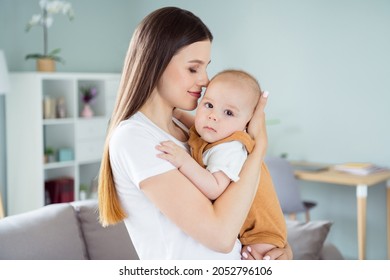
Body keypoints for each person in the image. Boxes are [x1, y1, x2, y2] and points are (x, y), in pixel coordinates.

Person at [98, 6, 292, 260]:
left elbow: (240, 211)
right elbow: (220, 237)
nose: (205, 80)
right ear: (156, 62)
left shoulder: (189, 130)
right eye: (193, 68)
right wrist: (258, 150)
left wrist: (280, 250)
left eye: (205, 67)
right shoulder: (134, 138)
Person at [157, 69, 287, 259]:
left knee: (259, 259)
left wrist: (183, 161)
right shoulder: (215, 134)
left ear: (247, 123)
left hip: (260, 233)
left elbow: (215, 188)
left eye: (228, 112)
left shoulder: (231, 148)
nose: (213, 116)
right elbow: (194, 125)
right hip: (240, 226)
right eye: (208, 105)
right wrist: (173, 111)